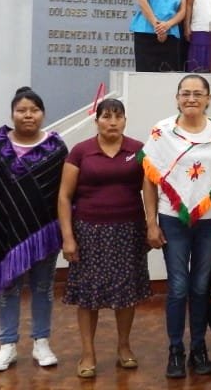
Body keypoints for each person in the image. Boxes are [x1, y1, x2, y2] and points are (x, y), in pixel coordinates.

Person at [141, 74, 211, 379]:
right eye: (185, 93)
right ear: (177, 97)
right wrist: (151, 222)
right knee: (178, 287)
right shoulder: (162, 132)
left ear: (209, 99)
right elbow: (150, 177)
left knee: (199, 287)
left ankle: (198, 348)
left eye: (198, 94)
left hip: (210, 220)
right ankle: (175, 349)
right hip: (173, 219)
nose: (191, 98)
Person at [58, 98, 152, 379]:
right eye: (107, 116)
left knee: (126, 293)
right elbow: (64, 196)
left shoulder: (137, 150)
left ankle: (124, 347)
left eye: (118, 116)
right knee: (88, 295)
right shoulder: (81, 151)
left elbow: (149, 189)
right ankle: (88, 353)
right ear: (96, 120)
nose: (113, 122)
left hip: (128, 231)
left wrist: (151, 224)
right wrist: (68, 237)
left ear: (125, 120)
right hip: (89, 232)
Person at [0, 87, 68, 373]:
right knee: (8, 288)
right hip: (5, 232)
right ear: (12, 114)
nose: (28, 115)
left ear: (43, 114)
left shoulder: (56, 148)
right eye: (22, 110)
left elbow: (63, 193)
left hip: (44, 233)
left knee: (43, 288)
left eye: (34, 110)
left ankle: (41, 342)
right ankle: (7, 345)